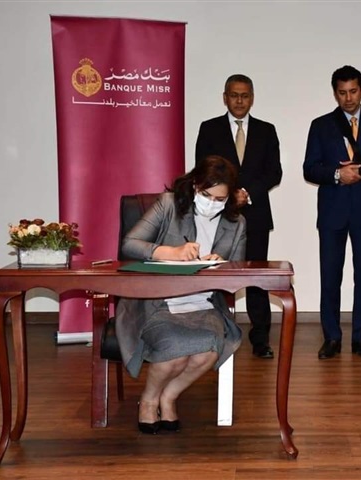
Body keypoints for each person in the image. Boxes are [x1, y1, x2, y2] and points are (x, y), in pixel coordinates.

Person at [115, 155, 246, 434]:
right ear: (195, 185)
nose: (212, 203)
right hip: (157, 301)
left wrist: (221, 263)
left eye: (220, 199)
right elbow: (130, 244)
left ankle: (168, 396)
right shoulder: (169, 205)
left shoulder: (237, 223)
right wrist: (169, 252)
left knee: (208, 351)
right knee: (175, 350)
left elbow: (238, 271)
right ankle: (149, 400)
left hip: (204, 303)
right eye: (206, 195)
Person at [303, 65, 361, 360]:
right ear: (335, 93)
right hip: (332, 210)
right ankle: (331, 337)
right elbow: (309, 169)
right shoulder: (320, 125)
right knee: (330, 275)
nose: (348, 98)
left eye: (353, 91)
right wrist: (336, 174)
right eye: (342, 92)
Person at [195, 74, 282, 359]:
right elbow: (202, 170)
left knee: (256, 278)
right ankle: (214, 333)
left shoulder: (267, 130)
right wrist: (230, 194)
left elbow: (274, 172)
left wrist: (247, 192)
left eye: (245, 95)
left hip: (256, 215)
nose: (240, 101)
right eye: (234, 95)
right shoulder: (209, 128)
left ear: (252, 98)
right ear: (225, 97)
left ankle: (261, 339)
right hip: (219, 215)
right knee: (217, 276)